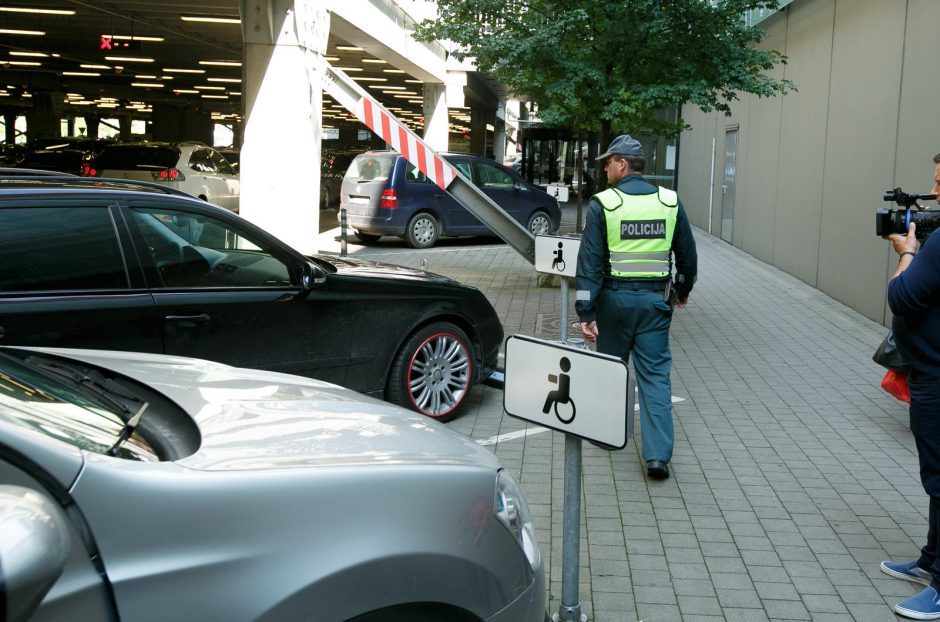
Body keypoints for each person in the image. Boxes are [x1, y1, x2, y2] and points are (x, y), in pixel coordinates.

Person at [575, 134, 697, 480]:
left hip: (614, 304)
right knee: (656, 378)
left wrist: (586, 312)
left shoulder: (604, 204)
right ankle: (657, 457)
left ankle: (608, 437)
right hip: (655, 304)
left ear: (622, 165)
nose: (606, 168)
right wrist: (683, 290)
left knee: (612, 369)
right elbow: (687, 255)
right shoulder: (669, 202)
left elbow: (590, 264)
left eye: (609, 162)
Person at [880, 153, 940, 620]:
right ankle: (931, 561)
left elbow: (901, 295)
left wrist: (907, 251)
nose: (934, 194)